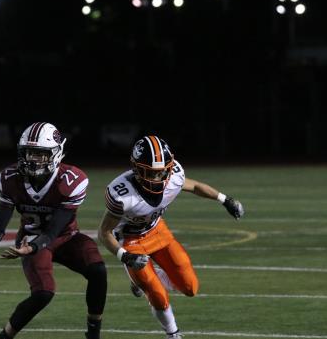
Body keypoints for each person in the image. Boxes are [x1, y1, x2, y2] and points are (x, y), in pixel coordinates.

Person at [0, 122, 107, 339]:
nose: (33, 159)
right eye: (29, 153)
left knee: (98, 271)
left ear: (56, 153)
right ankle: (5, 336)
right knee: (43, 293)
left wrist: (32, 248)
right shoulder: (11, 179)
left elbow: (53, 231)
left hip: (66, 238)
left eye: (40, 154)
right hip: (30, 238)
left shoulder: (71, 180)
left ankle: (93, 333)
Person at [98, 135, 244, 339]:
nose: (158, 178)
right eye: (151, 173)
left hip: (157, 231)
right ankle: (173, 333)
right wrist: (125, 256)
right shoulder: (122, 194)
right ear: (137, 170)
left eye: (162, 172)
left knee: (190, 287)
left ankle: (139, 282)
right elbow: (104, 232)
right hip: (130, 240)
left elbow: (195, 186)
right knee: (157, 294)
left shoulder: (173, 176)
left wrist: (225, 200)